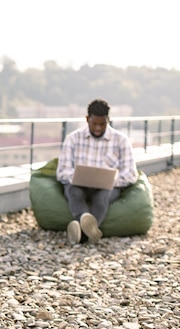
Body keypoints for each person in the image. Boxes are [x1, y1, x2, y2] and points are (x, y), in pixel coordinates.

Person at [56, 98, 138, 244]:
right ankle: (87, 228)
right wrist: (77, 177)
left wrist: (111, 180)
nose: (98, 128)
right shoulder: (73, 139)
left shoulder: (121, 140)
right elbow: (62, 171)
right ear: (87, 119)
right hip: (78, 185)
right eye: (95, 124)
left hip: (107, 187)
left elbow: (131, 173)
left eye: (102, 124)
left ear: (108, 120)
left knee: (102, 198)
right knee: (73, 192)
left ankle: (81, 233)